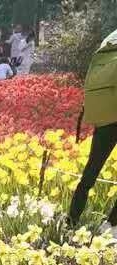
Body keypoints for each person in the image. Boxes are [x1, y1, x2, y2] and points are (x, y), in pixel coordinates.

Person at [69, 30, 117, 229]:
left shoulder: (111, 38)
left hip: (106, 115)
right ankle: (113, 222)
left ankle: (71, 220)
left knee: (91, 170)